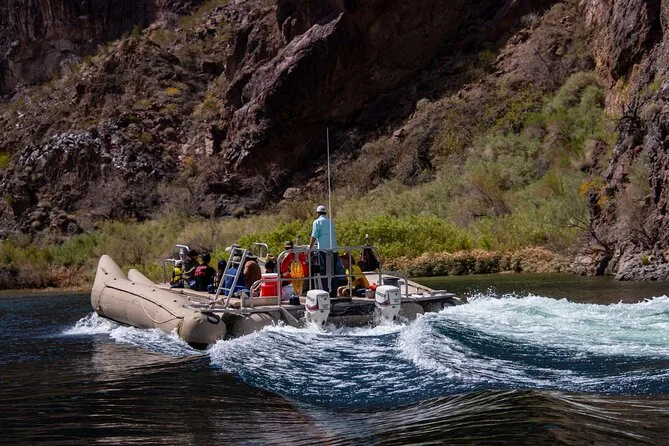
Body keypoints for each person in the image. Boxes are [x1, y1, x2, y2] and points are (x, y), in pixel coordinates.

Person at [308, 205, 339, 294]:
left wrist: (310, 248)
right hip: (334, 249)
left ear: (317, 213)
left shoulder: (316, 222)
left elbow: (314, 236)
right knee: (333, 271)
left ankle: (325, 291)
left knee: (323, 270)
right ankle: (334, 291)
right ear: (325, 213)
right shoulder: (331, 221)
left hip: (323, 249)